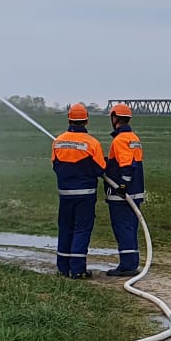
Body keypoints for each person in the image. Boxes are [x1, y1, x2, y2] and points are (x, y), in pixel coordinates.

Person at [50, 103, 106, 278]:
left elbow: (55, 165)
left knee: (65, 228)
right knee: (81, 229)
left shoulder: (58, 141)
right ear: (86, 120)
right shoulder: (92, 143)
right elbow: (100, 168)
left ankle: (63, 268)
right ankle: (78, 269)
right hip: (85, 194)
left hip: (65, 194)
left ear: (69, 119)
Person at [102, 103, 146, 278]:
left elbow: (127, 165)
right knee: (130, 228)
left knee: (123, 229)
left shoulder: (120, 140)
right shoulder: (133, 137)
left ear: (115, 118)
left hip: (123, 195)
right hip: (135, 193)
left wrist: (121, 186)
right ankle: (131, 262)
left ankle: (127, 266)